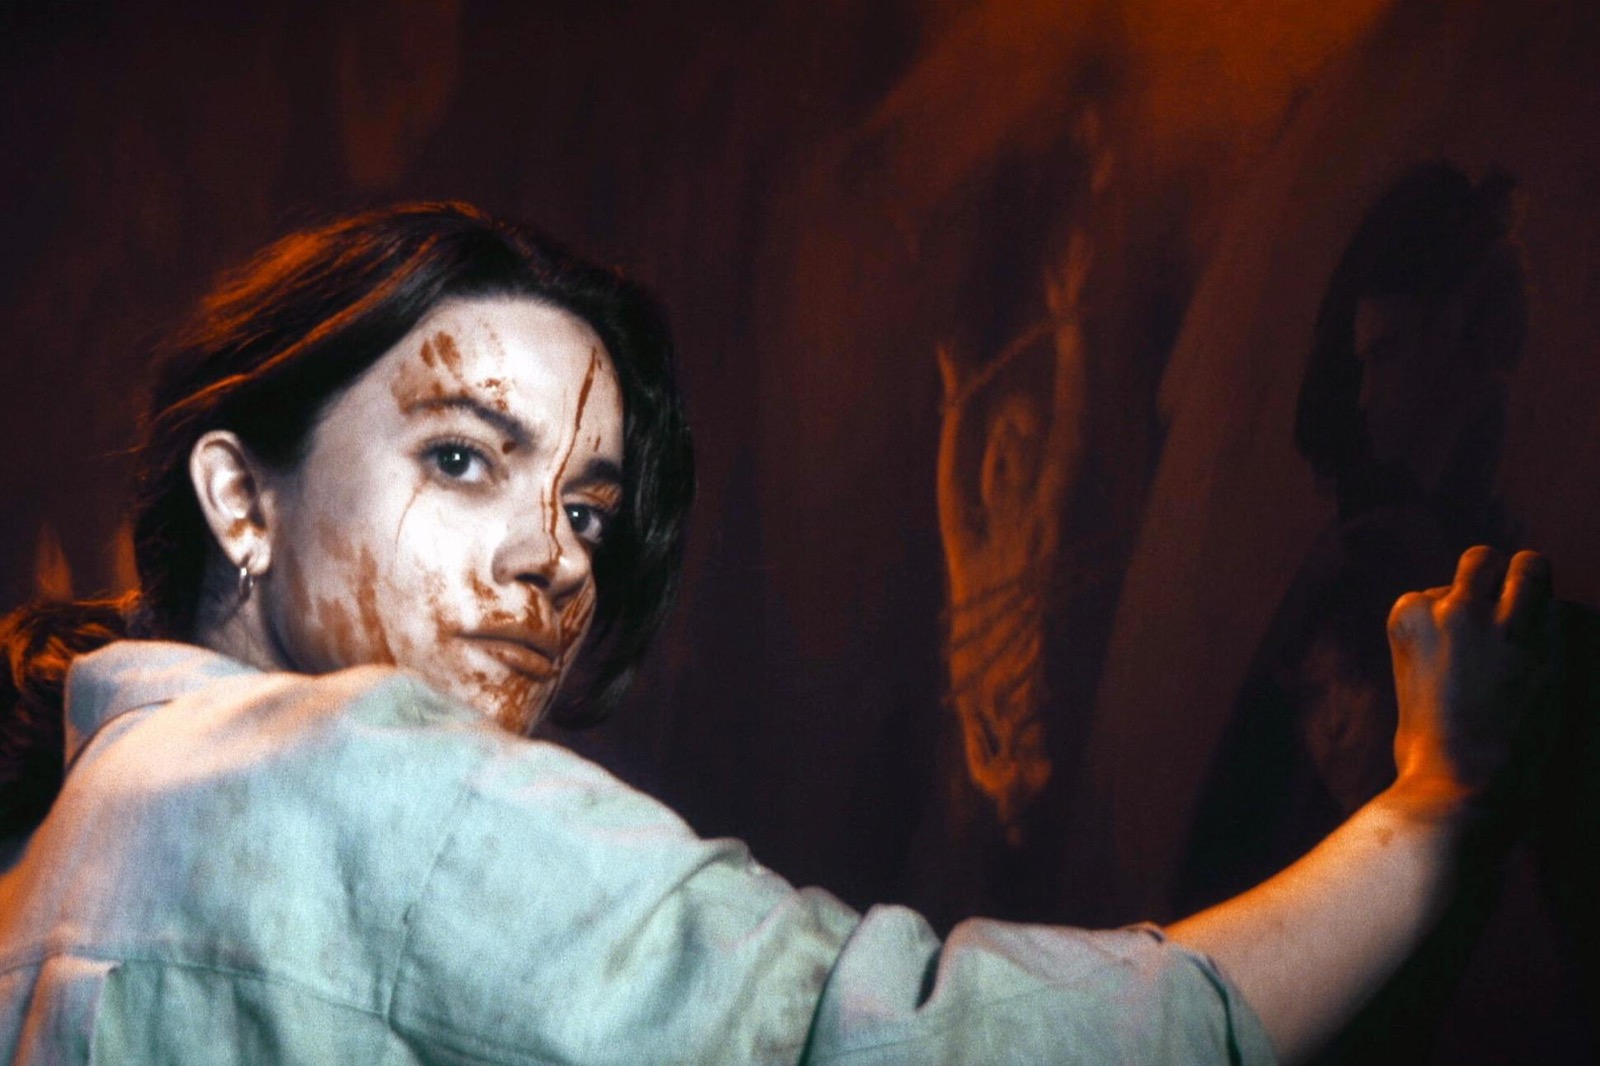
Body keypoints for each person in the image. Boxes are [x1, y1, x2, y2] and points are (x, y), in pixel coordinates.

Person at [0, 202, 1552, 1063]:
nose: (553, 559)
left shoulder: (72, 844)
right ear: (241, 498)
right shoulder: (351, 772)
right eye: (463, 456)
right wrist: (1432, 810)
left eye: (590, 508)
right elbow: (911, 1046)